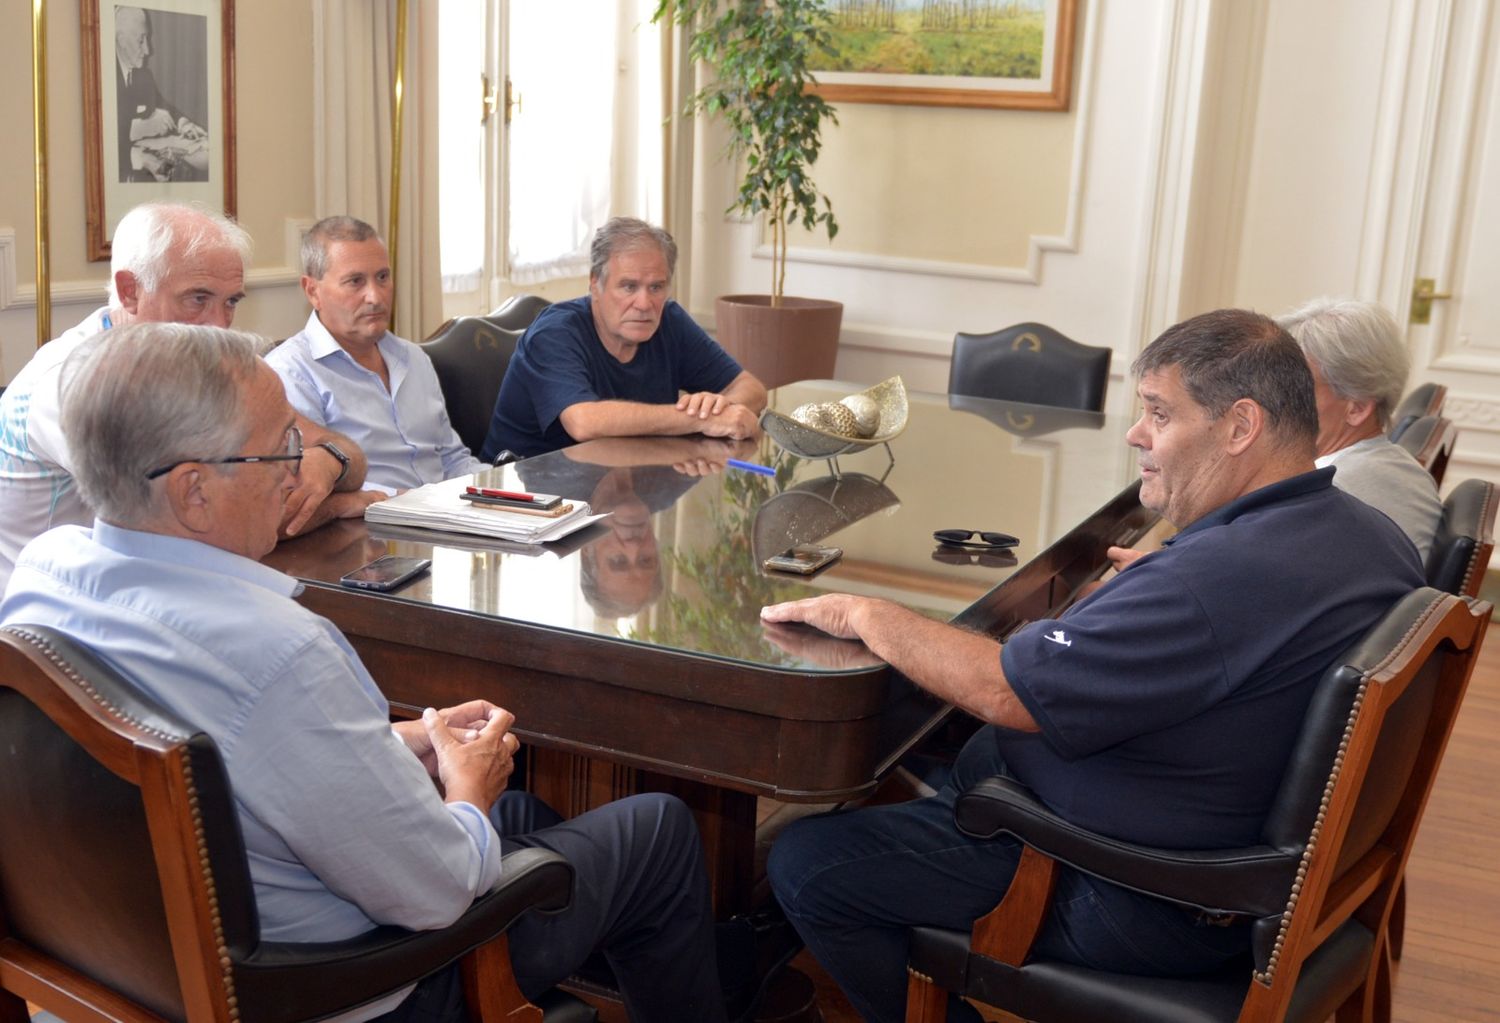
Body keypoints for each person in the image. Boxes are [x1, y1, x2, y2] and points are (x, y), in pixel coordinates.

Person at [0, 322, 727, 1023]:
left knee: (527, 819)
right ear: (194, 491)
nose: (296, 474)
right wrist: (469, 784)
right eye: (281, 449)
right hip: (348, 986)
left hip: (125, 964)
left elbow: (234, 748)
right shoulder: (281, 653)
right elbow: (440, 891)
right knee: (656, 829)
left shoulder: (40, 576)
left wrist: (407, 737)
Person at [758, 309, 1424, 1023]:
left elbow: (1002, 688)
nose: (1138, 433)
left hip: (1145, 892)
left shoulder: (1211, 582)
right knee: (945, 760)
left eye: (1160, 414)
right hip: (1249, 864)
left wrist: (869, 614)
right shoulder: (1373, 536)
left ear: (1240, 426)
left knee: (806, 863)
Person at [0, 201, 374, 594]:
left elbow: (345, 450)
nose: (219, 325)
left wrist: (329, 462)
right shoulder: (74, 381)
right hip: (51, 624)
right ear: (130, 292)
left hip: (138, 588)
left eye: (230, 302)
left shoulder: (191, 363)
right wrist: (334, 505)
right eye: (198, 299)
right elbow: (210, 527)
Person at [481, 217, 767, 460]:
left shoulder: (669, 320)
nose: (644, 303)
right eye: (629, 287)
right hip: (523, 502)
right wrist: (702, 419)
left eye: (656, 287)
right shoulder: (554, 333)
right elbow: (584, 422)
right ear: (595, 283)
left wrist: (719, 407)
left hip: (622, 486)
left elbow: (751, 388)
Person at [266, 216, 486, 491]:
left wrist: (503, 490)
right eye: (355, 281)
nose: (375, 296)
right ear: (313, 291)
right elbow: (311, 483)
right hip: (371, 526)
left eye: (382, 277)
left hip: (447, 516)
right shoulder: (291, 373)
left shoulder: (413, 358)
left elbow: (452, 460)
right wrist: (413, 503)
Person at [1278, 297, 1441, 558]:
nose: (1279, 400)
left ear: (1357, 408)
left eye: (1299, 387)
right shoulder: (1379, 464)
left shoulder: (1336, 489)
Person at [115, 6, 208, 182]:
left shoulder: (143, 76)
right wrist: (140, 131)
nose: (148, 50)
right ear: (121, 40)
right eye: (141, 40)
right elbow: (104, 144)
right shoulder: (102, 77)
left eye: (147, 39)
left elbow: (162, 104)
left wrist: (184, 123)